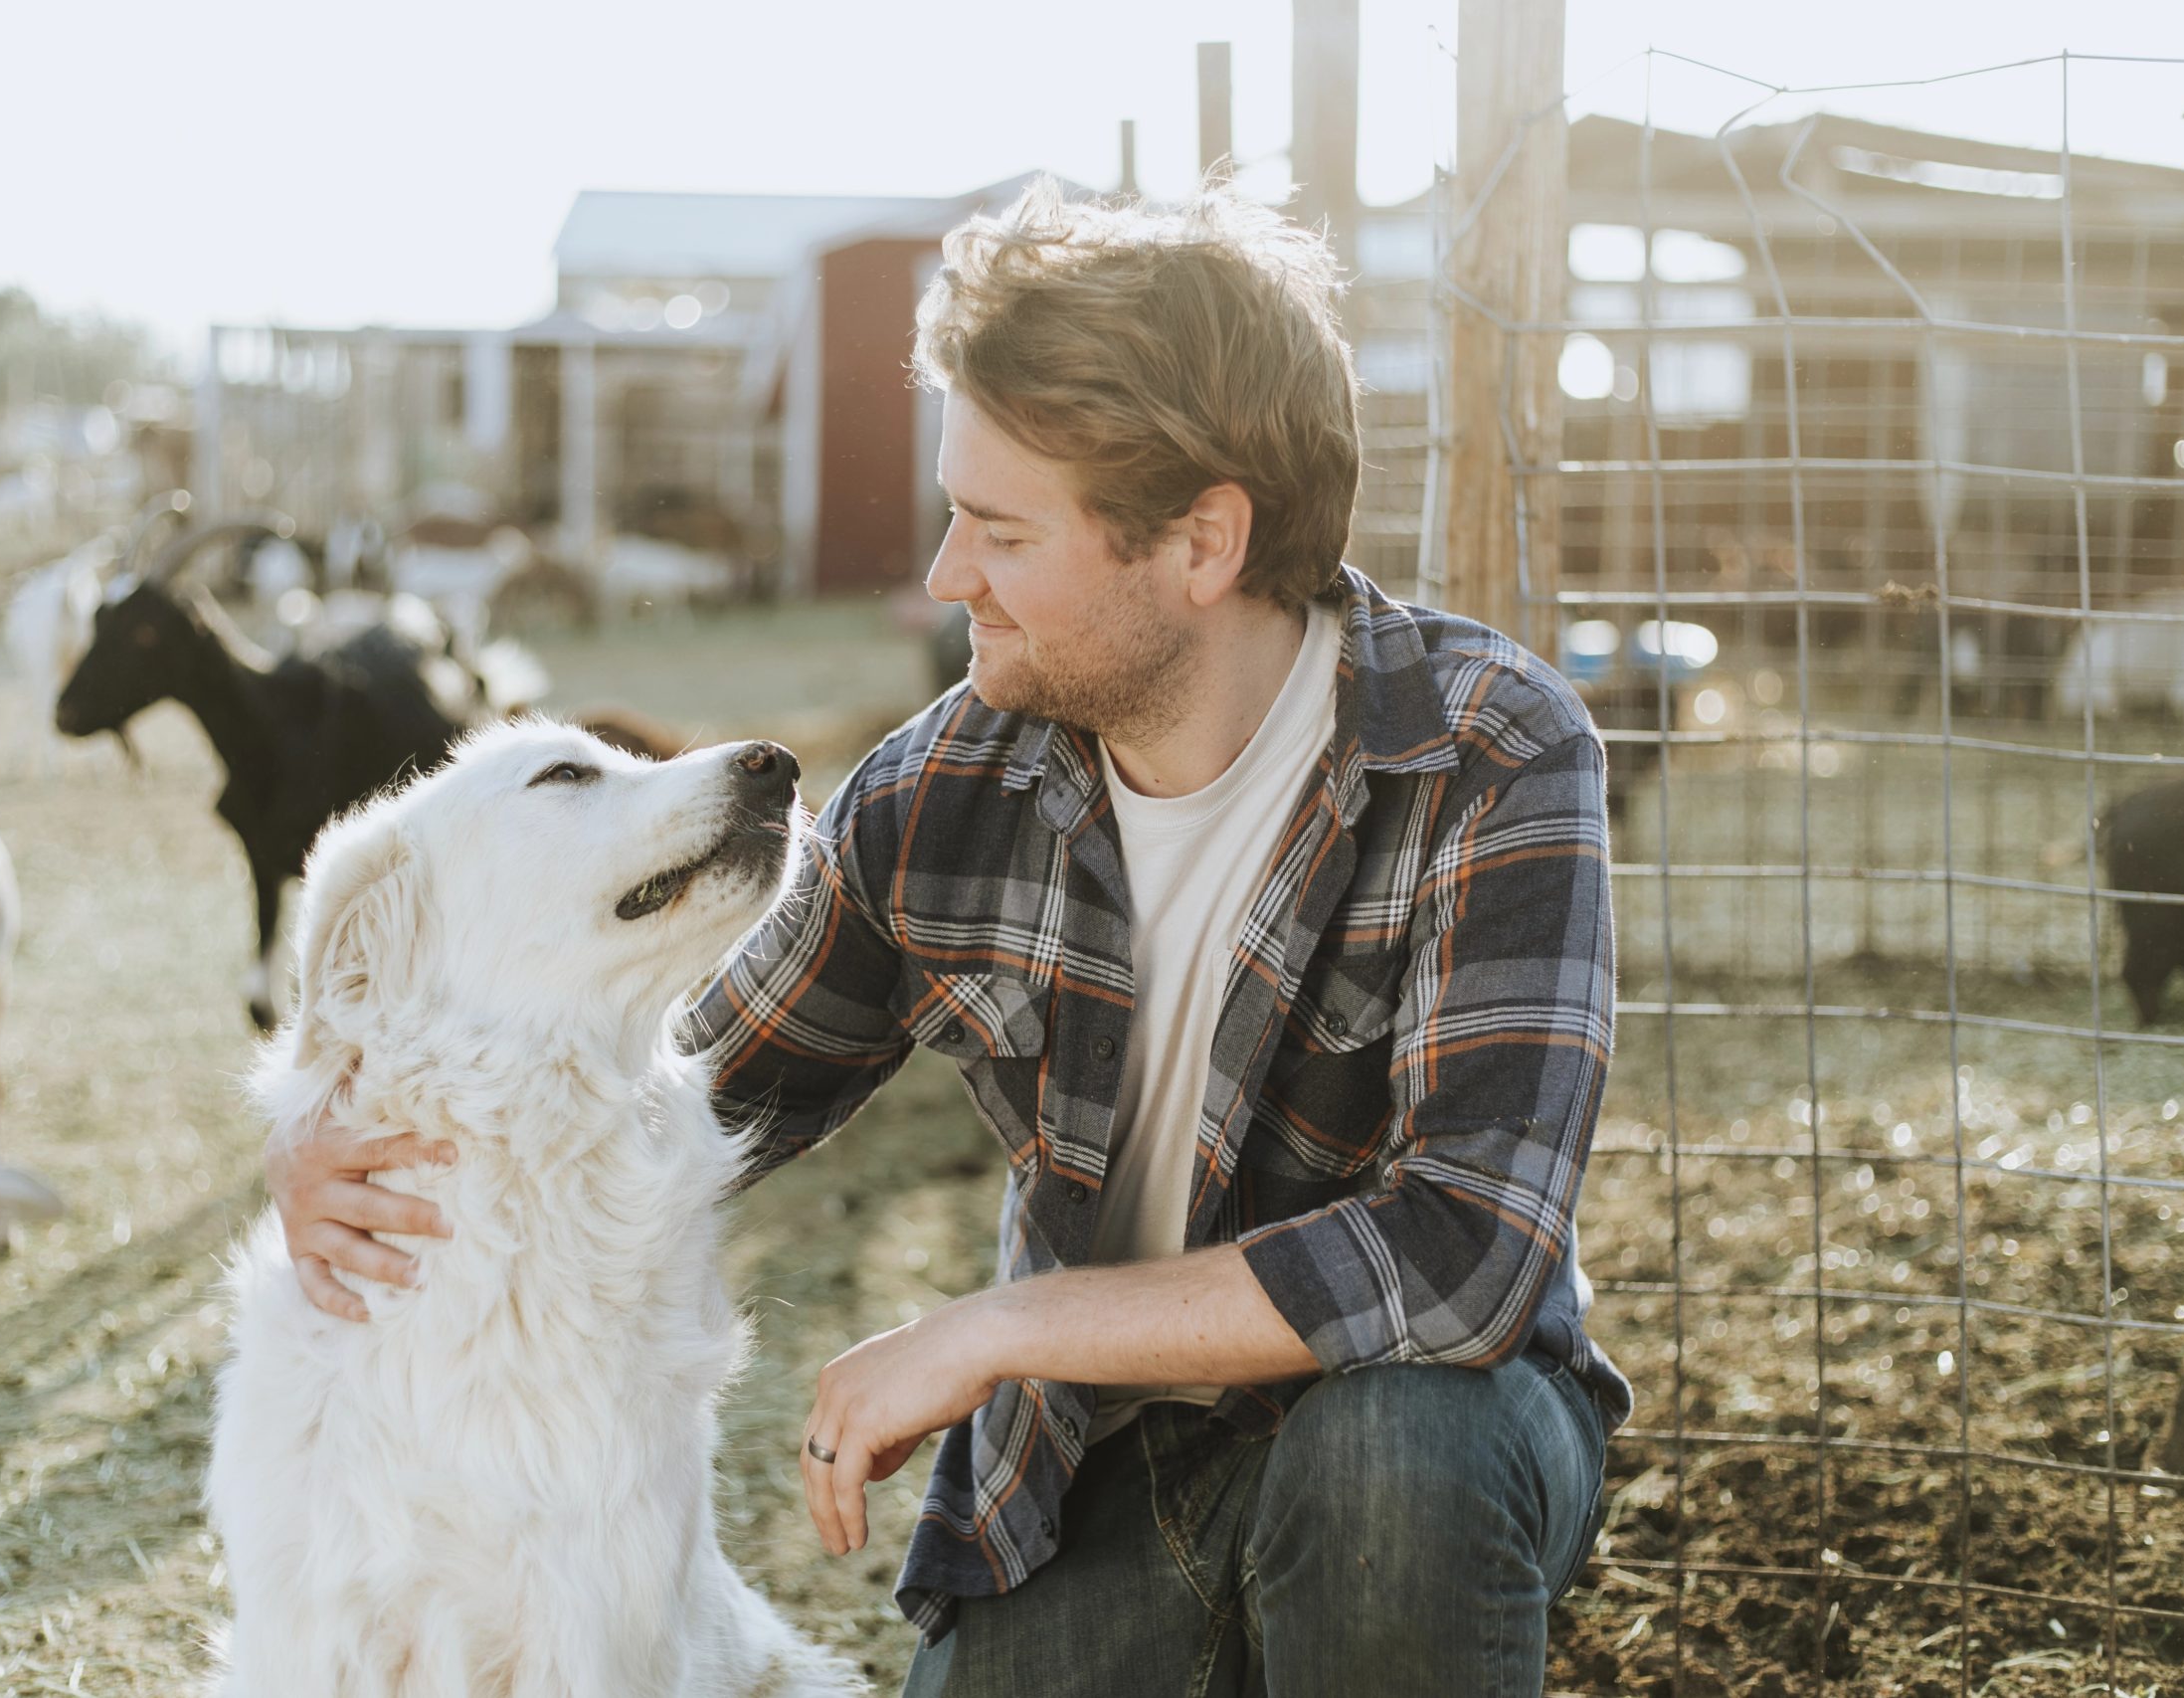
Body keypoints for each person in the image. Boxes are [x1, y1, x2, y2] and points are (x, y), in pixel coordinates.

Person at [267, 179, 1629, 1696]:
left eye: (998, 529)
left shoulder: (1488, 752)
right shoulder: (941, 794)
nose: (943, 575)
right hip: (1089, 1475)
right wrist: (342, 1153)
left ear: (1202, 542)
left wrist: (999, 1328)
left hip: (1412, 1431)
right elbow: (682, 1091)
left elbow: (1462, 1257)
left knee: (1393, 1466)